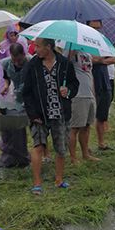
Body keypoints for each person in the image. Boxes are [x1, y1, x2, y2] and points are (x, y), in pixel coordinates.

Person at [22, 38, 79, 194]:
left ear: (48, 47)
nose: (35, 49)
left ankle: (59, 180)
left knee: (61, 148)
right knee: (38, 146)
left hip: (60, 113)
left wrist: (68, 91)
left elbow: (75, 84)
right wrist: (32, 114)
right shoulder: (32, 65)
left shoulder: (64, 63)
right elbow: (25, 93)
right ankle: (37, 183)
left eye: (38, 46)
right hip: (39, 114)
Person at [0, 43, 31, 168]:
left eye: (19, 60)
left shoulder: (31, 61)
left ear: (23, 54)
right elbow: (7, 78)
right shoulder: (6, 63)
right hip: (16, 97)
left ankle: (22, 155)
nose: (17, 63)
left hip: (30, 96)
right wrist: (6, 86)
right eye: (14, 60)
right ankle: (10, 155)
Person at [87, 20, 115, 151]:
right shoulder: (84, 42)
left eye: (98, 28)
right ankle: (86, 146)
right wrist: (100, 59)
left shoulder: (103, 40)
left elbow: (114, 58)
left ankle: (101, 142)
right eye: (93, 27)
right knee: (88, 117)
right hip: (90, 81)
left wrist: (99, 60)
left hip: (105, 80)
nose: (96, 30)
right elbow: (87, 60)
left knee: (102, 114)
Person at [68, 51, 99, 164]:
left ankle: (85, 154)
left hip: (89, 95)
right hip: (78, 95)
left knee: (86, 126)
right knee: (75, 127)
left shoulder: (88, 53)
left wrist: (93, 94)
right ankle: (73, 158)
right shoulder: (71, 50)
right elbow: (65, 65)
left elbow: (90, 75)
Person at [0, 26, 28, 94]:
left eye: (16, 35)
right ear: (8, 35)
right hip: (7, 68)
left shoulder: (21, 43)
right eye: (11, 35)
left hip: (19, 67)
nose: (14, 37)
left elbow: (25, 55)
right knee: (6, 85)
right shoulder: (3, 44)